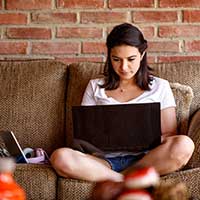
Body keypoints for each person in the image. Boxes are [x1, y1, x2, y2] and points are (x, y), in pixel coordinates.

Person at [50, 23, 194, 182]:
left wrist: (140, 137)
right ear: (109, 56)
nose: (124, 67)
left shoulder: (160, 86)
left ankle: (121, 177)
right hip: (102, 162)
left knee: (184, 144)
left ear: (142, 54)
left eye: (131, 59)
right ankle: (126, 180)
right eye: (116, 59)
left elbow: (170, 134)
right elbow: (85, 138)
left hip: (147, 159)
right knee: (60, 156)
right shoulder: (94, 87)